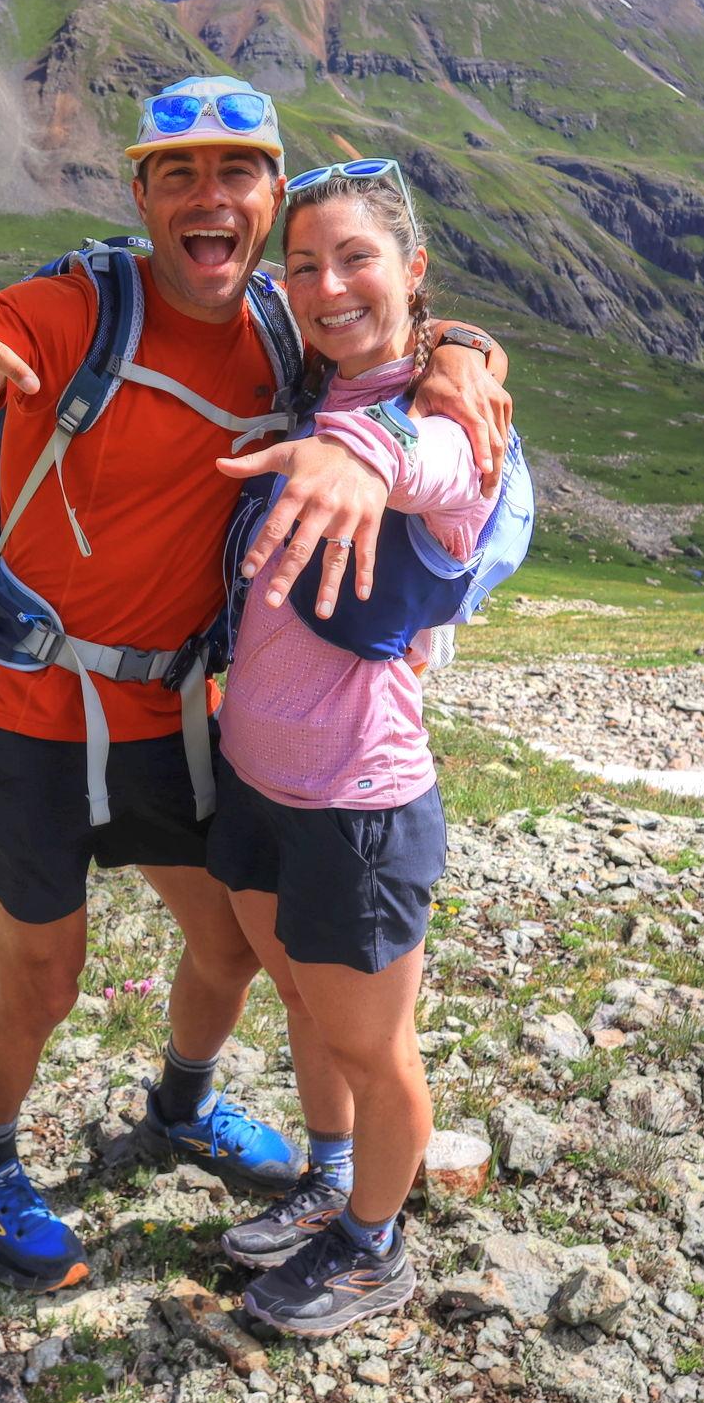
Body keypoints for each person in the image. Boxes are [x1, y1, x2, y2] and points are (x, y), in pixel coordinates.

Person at [0, 78, 511, 1293]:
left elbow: (399, 330)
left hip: (176, 716)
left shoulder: (280, 322)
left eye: (237, 171)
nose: (210, 196)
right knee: (39, 977)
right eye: (178, 173)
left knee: (229, 944)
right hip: (29, 714)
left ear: (267, 194)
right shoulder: (72, 309)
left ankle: (180, 1107)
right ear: (140, 193)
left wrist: (459, 352)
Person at [206, 158, 498, 1336]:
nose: (327, 285)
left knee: (373, 1046)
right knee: (304, 1001)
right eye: (305, 263)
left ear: (411, 270)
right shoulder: (312, 391)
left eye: (356, 258)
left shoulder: (446, 422)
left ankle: (374, 1246)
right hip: (259, 781)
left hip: (356, 801)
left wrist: (371, 448)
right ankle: (332, 1182)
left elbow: (437, 468)